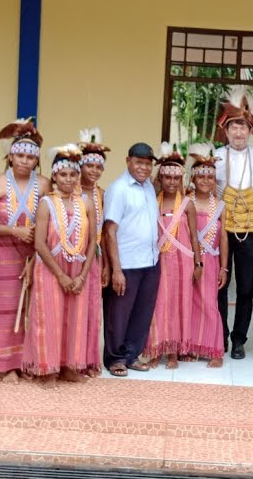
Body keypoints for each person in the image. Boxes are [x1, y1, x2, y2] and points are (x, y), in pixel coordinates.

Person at [0, 119, 50, 382]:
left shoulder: (43, 185)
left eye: (30, 157)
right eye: (19, 155)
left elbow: (49, 223)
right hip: (1, 256)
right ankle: (3, 364)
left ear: (36, 160)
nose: (24, 161)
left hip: (33, 255)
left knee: (31, 309)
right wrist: (14, 231)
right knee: (4, 309)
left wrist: (36, 257)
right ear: (10, 157)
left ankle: (26, 361)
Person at [24, 145, 96, 384]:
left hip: (78, 268)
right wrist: (61, 276)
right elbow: (40, 243)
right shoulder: (46, 203)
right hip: (51, 269)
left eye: (72, 174)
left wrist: (82, 276)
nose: (68, 179)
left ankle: (69, 366)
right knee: (49, 318)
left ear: (78, 176)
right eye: (63, 174)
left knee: (74, 318)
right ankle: (47, 369)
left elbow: (93, 240)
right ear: (54, 176)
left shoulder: (86, 203)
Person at [214, 86, 253, 360]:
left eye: (242, 127)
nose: (238, 133)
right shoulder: (215, 157)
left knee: (246, 287)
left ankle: (239, 339)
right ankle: (218, 335)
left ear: (250, 129)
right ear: (225, 131)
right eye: (233, 128)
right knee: (218, 283)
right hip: (222, 228)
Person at [102, 143, 160, 376]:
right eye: (139, 162)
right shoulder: (119, 189)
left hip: (150, 261)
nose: (143, 167)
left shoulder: (148, 188)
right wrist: (116, 270)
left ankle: (131, 354)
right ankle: (115, 358)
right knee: (118, 313)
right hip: (126, 264)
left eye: (148, 163)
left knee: (141, 312)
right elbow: (109, 231)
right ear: (128, 161)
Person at [144, 144, 201, 367]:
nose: (171, 182)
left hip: (182, 260)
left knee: (178, 304)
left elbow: (195, 237)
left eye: (175, 178)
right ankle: (156, 350)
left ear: (181, 180)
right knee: (158, 304)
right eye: (166, 177)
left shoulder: (187, 204)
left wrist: (198, 263)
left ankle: (174, 352)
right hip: (159, 261)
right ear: (161, 178)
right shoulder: (153, 201)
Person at [186, 144, 227, 367]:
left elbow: (224, 239)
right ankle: (193, 346)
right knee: (191, 302)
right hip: (189, 259)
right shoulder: (186, 201)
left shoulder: (220, 205)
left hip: (210, 261)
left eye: (209, 177)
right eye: (201, 176)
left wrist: (224, 267)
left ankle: (215, 350)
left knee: (209, 304)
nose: (205, 181)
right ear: (193, 178)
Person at [78, 128, 110, 377]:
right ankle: (71, 358)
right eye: (89, 166)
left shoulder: (101, 195)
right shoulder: (70, 192)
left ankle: (89, 359)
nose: (94, 171)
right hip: (71, 257)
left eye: (98, 168)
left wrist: (107, 265)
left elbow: (107, 234)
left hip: (95, 259)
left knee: (91, 311)